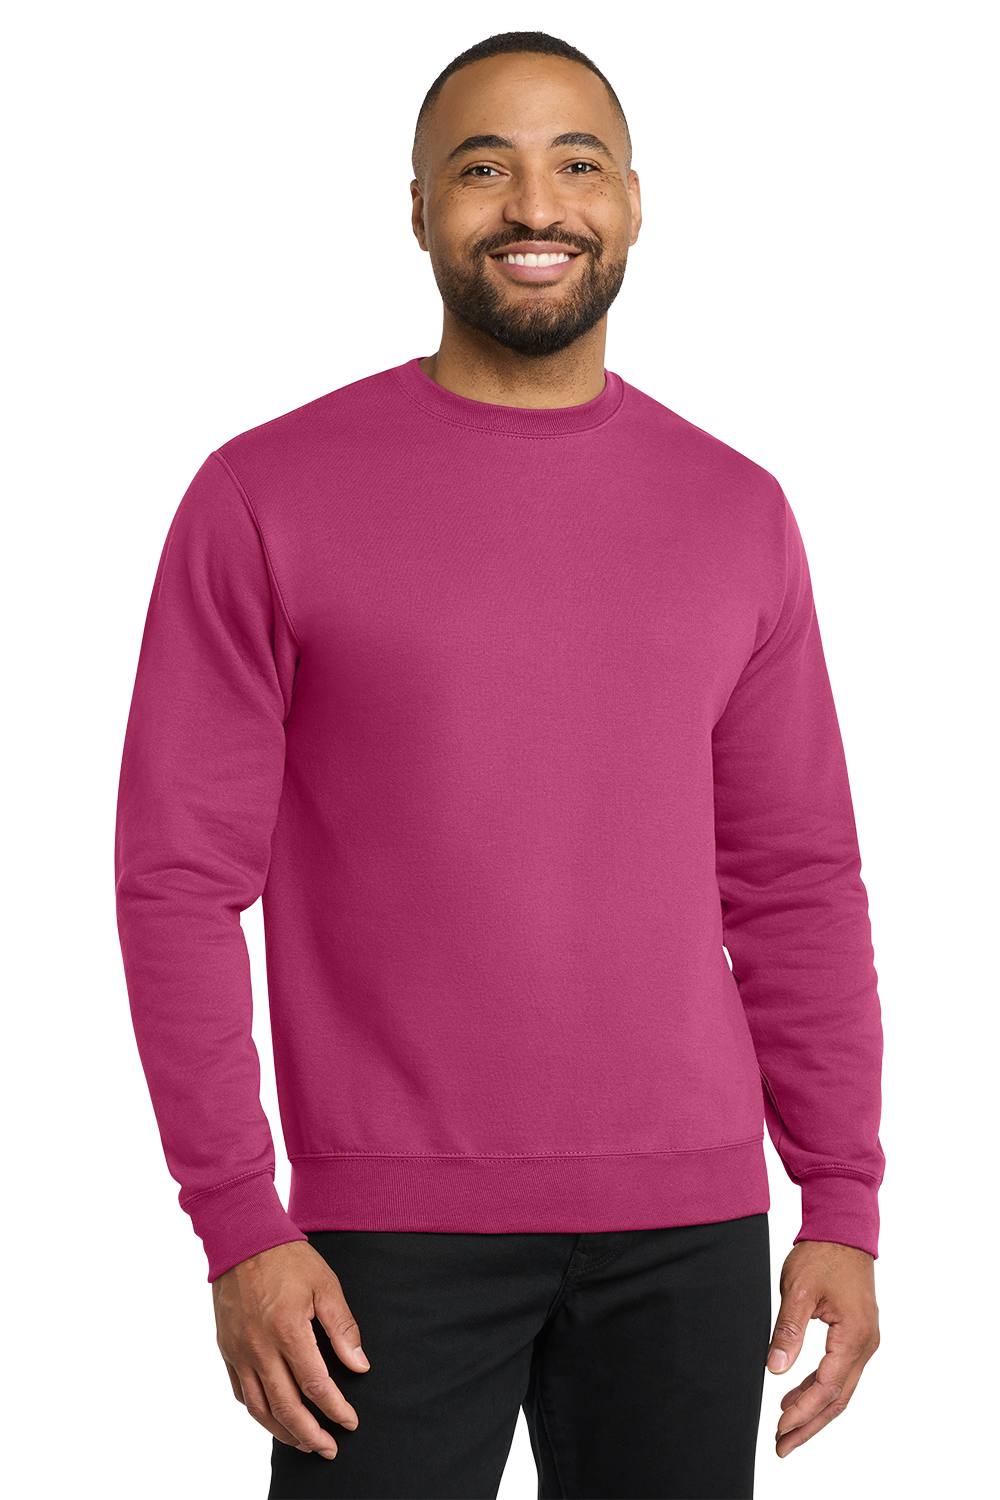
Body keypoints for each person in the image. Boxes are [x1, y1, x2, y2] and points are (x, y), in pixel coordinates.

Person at [114, 29, 884, 1500]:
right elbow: (176, 880)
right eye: (483, 168)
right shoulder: (264, 496)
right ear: (417, 210)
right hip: (376, 1240)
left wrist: (841, 1195)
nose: (536, 206)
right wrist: (237, 1220)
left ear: (635, 203)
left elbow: (795, 881)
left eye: (576, 163)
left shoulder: (737, 512)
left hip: (690, 1231)